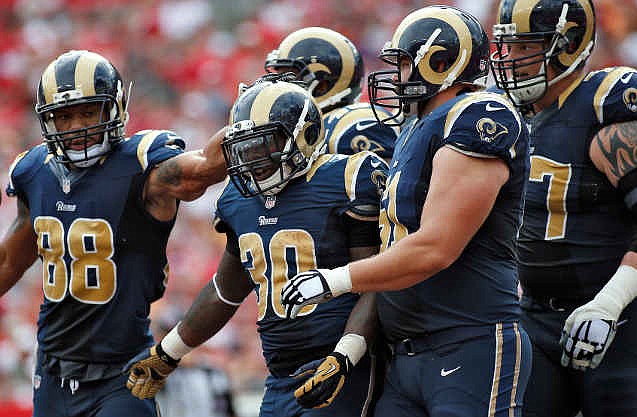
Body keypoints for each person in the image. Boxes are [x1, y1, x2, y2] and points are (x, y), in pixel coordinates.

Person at [280, 5, 532, 417]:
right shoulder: (415, 128)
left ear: (440, 63)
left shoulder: (477, 115)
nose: (393, 76)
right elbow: (396, 251)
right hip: (407, 354)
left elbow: (435, 248)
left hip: (469, 341)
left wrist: (334, 280)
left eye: (402, 64)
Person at [123, 75, 389, 417]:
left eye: (266, 143)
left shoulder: (347, 178)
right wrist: (168, 353)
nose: (254, 156)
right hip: (279, 376)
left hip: (344, 368)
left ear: (304, 135)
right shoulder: (238, 199)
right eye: (247, 145)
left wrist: (344, 356)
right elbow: (225, 291)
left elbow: (376, 283)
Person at [0, 49, 229, 417]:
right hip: (52, 371)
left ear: (115, 108)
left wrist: (255, 120)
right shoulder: (34, 172)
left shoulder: (141, 166)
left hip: (121, 375)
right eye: (64, 116)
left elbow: (202, 169)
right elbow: (11, 259)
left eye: (88, 112)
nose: (76, 127)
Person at [489, 1, 637, 416]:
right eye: (507, 47)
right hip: (533, 318)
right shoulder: (512, 115)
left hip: (616, 320)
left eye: (524, 47)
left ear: (567, 45)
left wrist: (608, 303)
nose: (509, 59)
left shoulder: (602, 108)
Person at [265, 26, 399, 162]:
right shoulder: (298, 129)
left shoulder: (352, 125)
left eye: (288, 78)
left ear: (322, 86)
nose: (279, 86)